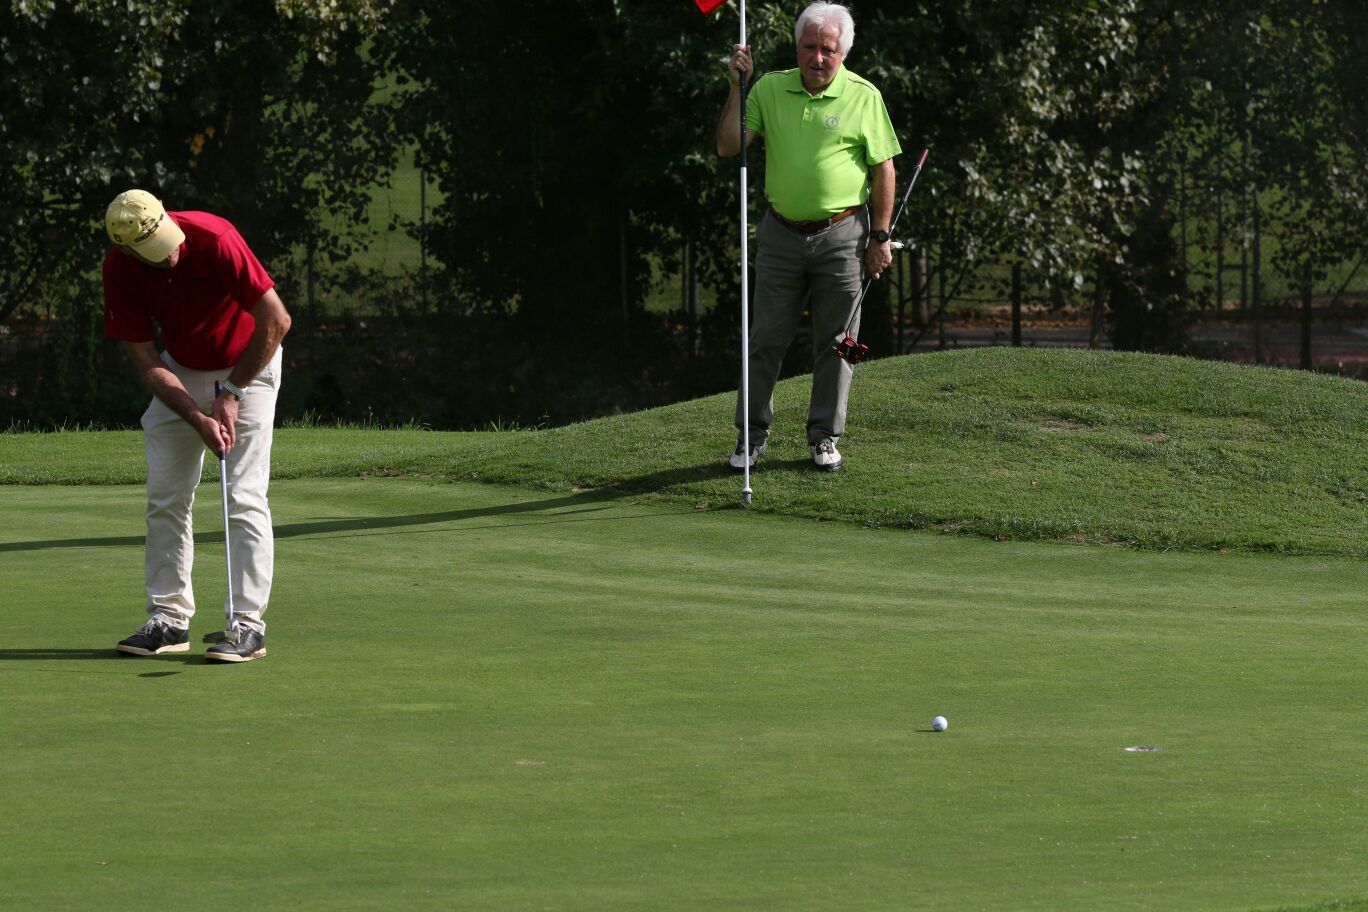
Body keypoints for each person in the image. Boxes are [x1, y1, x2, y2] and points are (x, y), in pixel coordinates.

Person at [103, 189, 291, 663]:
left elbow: (276, 319)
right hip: (179, 370)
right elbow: (146, 361)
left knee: (243, 494)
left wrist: (231, 394)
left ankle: (248, 626)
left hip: (249, 363)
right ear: (126, 249)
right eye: (151, 251)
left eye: (167, 239)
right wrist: (196, 414)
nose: (168, 256)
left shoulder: (213, 236)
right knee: (166, 496)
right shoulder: (119, 267)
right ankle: (168, 619)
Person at [716, 2, 901, 472]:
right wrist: (737, 87)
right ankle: (751, 436)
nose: (818, 58)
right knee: (765, 339)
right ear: (797, 47)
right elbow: (727, 145)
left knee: (838, 341)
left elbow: (884, 170)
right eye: (810, 47)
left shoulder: (864, 96)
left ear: (843, 53)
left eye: (828, 50)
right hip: (781, 233)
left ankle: (824, 437)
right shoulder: (769, 88)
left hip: (843, 234)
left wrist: (879, 236)